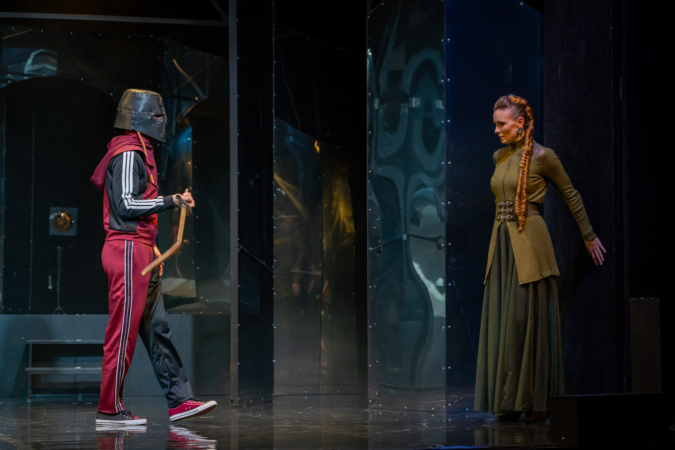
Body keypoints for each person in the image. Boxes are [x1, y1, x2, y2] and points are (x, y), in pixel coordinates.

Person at [474, 94, 606, 422]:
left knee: (524, 320)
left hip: (530, 242)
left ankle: (536, 400)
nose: (496, 130)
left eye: (501, 124)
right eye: (495, 124)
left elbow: (571, 193)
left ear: (520, 123)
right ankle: (507, 401)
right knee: (504, 321)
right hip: (501, 244)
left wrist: (588, 235)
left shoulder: (543, 156)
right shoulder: (499, 156)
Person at [91, 89, 217, 425]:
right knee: (123, 332)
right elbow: (126, 205)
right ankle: (109, 409)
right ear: (142, 118)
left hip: (140, 250)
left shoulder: (139, 150)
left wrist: (151, 243)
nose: (162, 122)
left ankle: (179, 400)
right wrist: (171, 200)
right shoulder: (129, 151)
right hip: (127, 251)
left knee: (156, 328)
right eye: (158, 116)